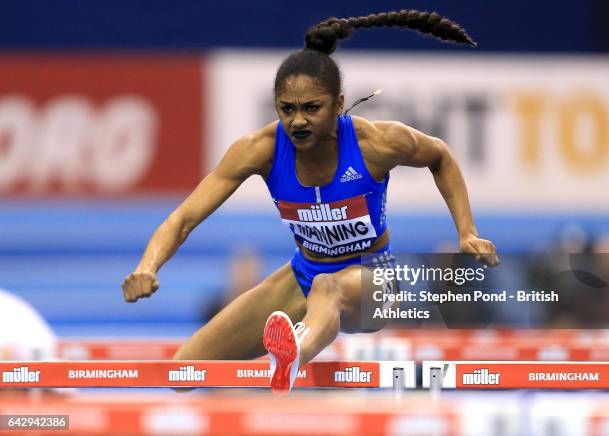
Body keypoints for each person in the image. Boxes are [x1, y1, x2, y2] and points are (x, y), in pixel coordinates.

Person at [122, 9, 499, 393]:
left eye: (311, 108)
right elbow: (184, 219)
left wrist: (466, 232)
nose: (298, 121)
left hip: (375, 282)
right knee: (185, 372)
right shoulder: (260, 150)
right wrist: (147, 267)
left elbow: (440, 157)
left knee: (327, 288)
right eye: (287, 109)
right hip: (303, 273)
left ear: (338, 104)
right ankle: (292, 345)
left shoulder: (376, 143)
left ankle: (292, 355)